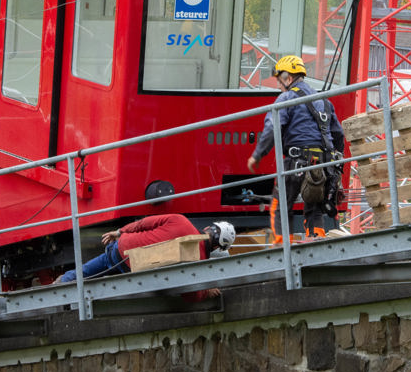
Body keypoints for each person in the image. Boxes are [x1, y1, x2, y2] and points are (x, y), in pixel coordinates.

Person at [246, 55, 345, 243]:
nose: (278, 86)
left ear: (288, 78)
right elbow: (338, 135)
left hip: (296, 161)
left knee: (281, 204)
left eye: (278, 81)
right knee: (315, 205)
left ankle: (283, 247)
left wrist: (257, 155)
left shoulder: (286, 98)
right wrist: (337, 165)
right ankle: (316, 240)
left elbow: (272, 128)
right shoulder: (324, 101)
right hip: (324, 163)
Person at [57, 214, 236, 287]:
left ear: (208, 228)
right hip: (136, 272)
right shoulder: (199, 262)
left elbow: (143, 223)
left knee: (93, 269)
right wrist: (206, 292)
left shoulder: (180, 220)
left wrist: (119, 231)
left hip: (122, 249)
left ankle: (65, 282)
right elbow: (191, 295)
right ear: (218, 248)